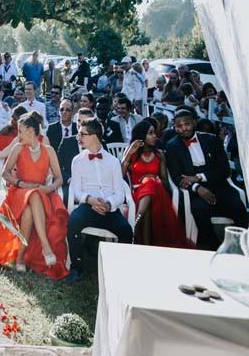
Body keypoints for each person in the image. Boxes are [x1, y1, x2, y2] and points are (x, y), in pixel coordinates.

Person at [0, 112, 68, 279]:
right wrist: (22, 184)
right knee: (32, 194)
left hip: (42, 193)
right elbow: (5, 173)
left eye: (20, 131)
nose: (18, 135)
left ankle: (20, 258)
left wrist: (49, 189)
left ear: (31, 131)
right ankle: (46, 247)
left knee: (29, 210)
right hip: (19, 193)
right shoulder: (18, 148)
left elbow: (59, 177)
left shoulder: (48, 150)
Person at [165, 109, 248, 249]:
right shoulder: (172, 146)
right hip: (194, 190)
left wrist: (198, 177)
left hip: (217, 184)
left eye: (187, 124)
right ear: (175, 127)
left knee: (238, 207)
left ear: (194, 123)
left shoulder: (211, 140)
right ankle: (213, 247)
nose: (183, 128)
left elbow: (224, 169)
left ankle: (241, 245)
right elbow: (176, 176)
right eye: (179, 126)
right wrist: (197, 187)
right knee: (199, 210)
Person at [66, 119, 133, 283]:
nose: (78, 137)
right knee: (74, 221)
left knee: (126, 230)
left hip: (109, 208)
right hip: (88, 205)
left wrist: (108, 204)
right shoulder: (78, 160)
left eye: (82, 134)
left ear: (94, 136)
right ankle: (76, 267)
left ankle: (118, 271)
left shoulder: (113, 162)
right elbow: (76, 190)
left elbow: (119, 193)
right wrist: (90, 200)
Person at [121, 119, 191, 248]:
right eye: (150, 133)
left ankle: (137, 219)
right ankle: (143, 232)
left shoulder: (159, 154)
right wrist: (129, 154)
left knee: (150, 182)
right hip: (137, 192)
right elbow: (121, 174)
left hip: (157, 191)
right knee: (148, 187)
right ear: (142, 135)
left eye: (155, 133)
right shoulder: (132, 152)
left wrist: (153, 178)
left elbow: (164, 179)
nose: (155, 136)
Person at [46, 99, 78, 208]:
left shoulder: (77, 128)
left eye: (68, 110)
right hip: (56, 166)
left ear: (73, 112)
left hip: (73, 166)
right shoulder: (52, 128)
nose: (64, 112)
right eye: (61, 109)